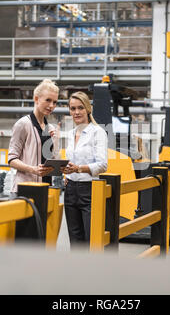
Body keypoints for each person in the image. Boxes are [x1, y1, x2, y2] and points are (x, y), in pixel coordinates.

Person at [62, 91, 108, 247]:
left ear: (88, 109)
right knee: (75, 239)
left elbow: (102, 165)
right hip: (70, 189)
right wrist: (66, 172)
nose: (76, 112)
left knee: (91, 239)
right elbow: (71, 161)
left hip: (89, 190)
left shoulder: (98, 132)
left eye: (80, 108)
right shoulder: (70, 134)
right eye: (72, 108)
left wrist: (78, 169)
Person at [7, 79, 60, 197]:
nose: (51, 106)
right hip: (25, 189)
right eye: (48, 100)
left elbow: (53, 161)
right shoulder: (23, 124)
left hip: (45, 188)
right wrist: (33, 169)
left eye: (55, 102)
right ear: (36, 99)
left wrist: (55, 142)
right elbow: (11, 159)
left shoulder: (50, 128)